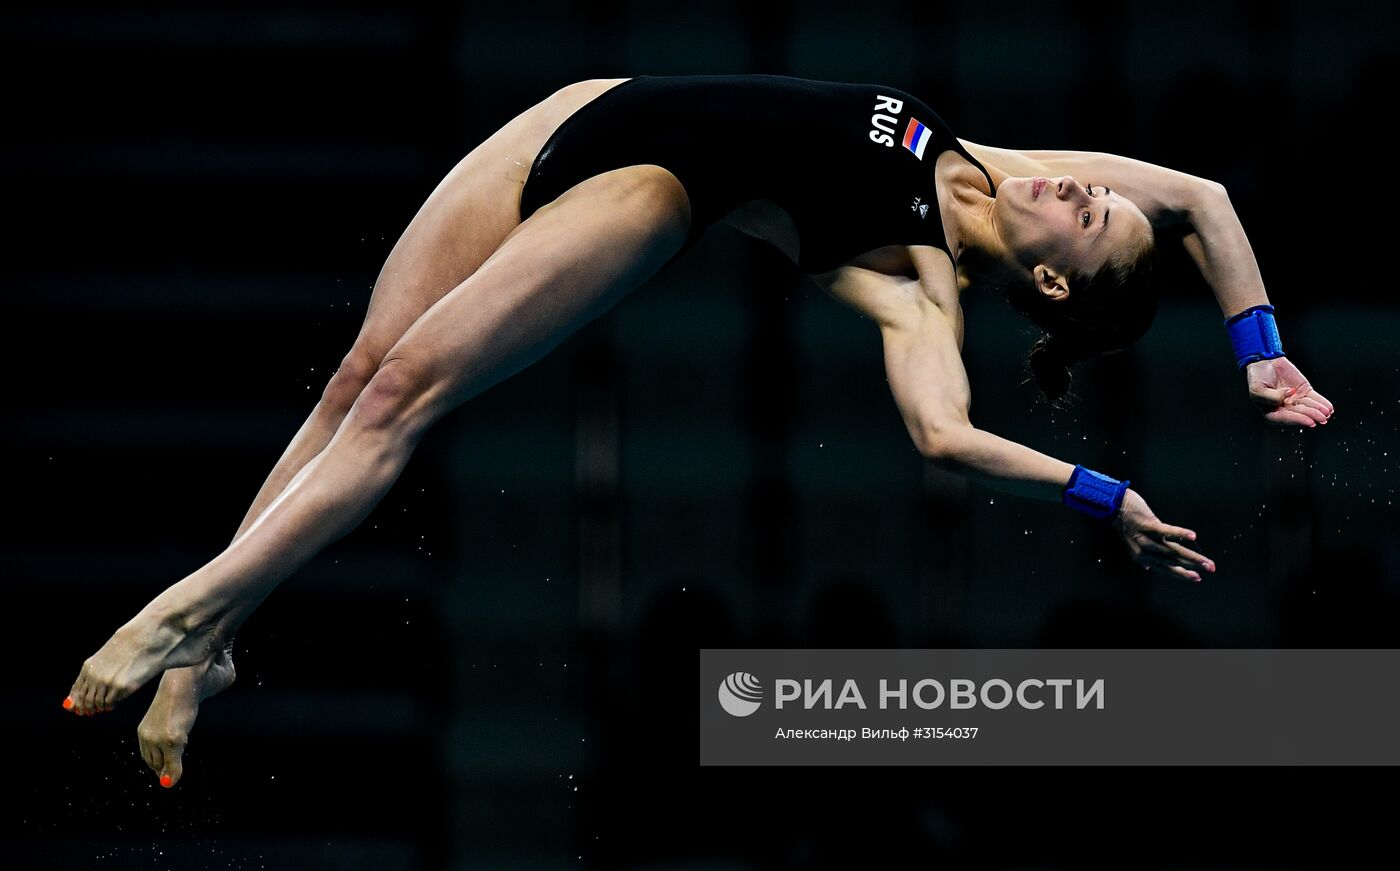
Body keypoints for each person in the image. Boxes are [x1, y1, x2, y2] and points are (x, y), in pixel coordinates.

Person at [63, 74, 1333, 785]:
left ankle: (183, 608)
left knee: (403, 395)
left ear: (1051, 283)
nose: (1092, 185)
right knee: (349, 379)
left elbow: (940, 437)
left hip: (650, 190)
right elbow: (1205, 201)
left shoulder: (921, 279)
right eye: (1104, 189)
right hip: (575, 113)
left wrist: (1100, 495)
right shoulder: (988, 155)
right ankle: (204, 658)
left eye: (1095, 214)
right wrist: (1259, 357)